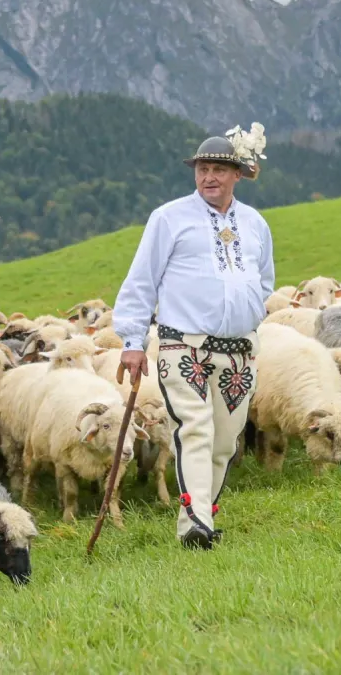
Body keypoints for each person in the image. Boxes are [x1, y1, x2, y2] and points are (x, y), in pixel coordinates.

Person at [113, 127, 274, 550]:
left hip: (239, 349)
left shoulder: (255, 223)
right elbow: (141, 280)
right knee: (196, 430)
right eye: (203, 169)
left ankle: (196, 515)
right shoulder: (169, 218)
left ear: (237, 174)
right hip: (183, 344)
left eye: (219, 169)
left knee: (224, 441)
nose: (209, 177)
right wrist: (132, 340)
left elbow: (266, 282)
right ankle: (200, 524)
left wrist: (251, 312)